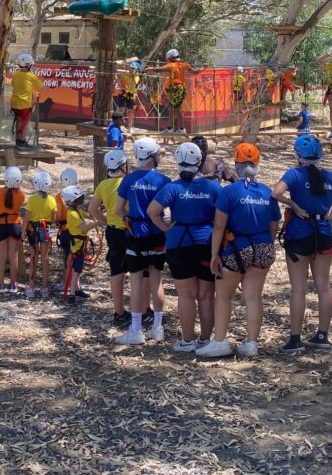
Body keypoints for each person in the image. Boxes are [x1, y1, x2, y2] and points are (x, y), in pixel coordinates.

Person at [272, 134, 332, 352]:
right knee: (324, 286)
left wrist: (292, 203)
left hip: (299, 234)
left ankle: (295, 339)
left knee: (298, 289)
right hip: (323, 233)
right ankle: (322, 336)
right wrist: (330, 202)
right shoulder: (330, 177)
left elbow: (276, 193)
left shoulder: (294, 174)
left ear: (298, 154)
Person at [196, 143, 281, 358]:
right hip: (262, 247)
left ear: (236, 163)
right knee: (253, 297)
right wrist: (265, 245)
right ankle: (251, 343)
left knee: (223, 296)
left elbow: (219, 226)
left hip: (234, 249)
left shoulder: (230, 192)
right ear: (257, 164)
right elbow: (273, 225)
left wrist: (214, 254)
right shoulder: (267, 192)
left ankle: (220, 341)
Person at [147, 142, 219, 352]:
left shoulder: (173, 187)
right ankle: (205, 340)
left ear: (178, 162)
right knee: (206, 295)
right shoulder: (213, 187)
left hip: (180, 245)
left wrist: (166, 228)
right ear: (199, 161)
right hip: (206, 244)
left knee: (186, 295)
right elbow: (223, 215)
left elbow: (152, 211)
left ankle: (187, 341)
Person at [115, 136, 170, 345]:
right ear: (152, 157)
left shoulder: (129, 179)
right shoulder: (163, 180)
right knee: (157, 280)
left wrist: (129, 216)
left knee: (136, 281)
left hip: (136, 234)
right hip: (157, 233)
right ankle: (157, 328)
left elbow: (119, 209)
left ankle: (136, 329)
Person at [88, 149, 131, 327]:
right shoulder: (129, 182)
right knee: (138, 272)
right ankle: (143, 310)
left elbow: (92, 209)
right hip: (130, 230)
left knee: (116, 271)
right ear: (124, 165)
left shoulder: (103, 185)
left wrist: (105, 221)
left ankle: (119, 311)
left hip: (113, 231)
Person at [0, 166, 26, 294]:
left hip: (0, 224)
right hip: (14, 224)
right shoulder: (21, 194)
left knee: (1, 255)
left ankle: (0, 284)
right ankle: (13, 284)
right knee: (13, 255)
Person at [62, 185, 98, 306]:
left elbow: (89, 216)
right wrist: (98, 222)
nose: (81, 201)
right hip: (77, 247)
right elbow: (85, 227)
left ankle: (76, 290)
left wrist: (95, 211)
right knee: (76, 271)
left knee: (78, 269)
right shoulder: (72, 214)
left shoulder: (78, 211)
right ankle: (72, 294)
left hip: (81, 246)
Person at [24, 170, 58, 299]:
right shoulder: (52, 200)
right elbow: (54, 219)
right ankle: (44, 288)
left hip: (33, 231)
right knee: (45, 259)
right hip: (45, 230)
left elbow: (26, 218)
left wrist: (23, 232)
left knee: (34, 258)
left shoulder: (32, 200)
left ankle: (31, 287)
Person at [10, 52, 43, 149]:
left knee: (18, 120)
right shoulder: (31, 76)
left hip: (15, 103)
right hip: (24, 103)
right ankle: (22, 141)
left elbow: (13, 85)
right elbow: (41, 86)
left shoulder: (15, 75)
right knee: (25, 122)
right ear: (28, 65)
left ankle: (17, 141)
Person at [160, 48, 197, 134]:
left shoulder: (172, 65)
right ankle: (170, 128)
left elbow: (159, 69)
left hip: (176, 89)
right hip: (177, 89)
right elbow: (195, 72)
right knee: (172, 108)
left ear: (171, 58)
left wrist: (149, 69)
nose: (168, 61)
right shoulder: (184, 65)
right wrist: (203, 68)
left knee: (176, 108)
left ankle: (181, 129)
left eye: (168, 59)